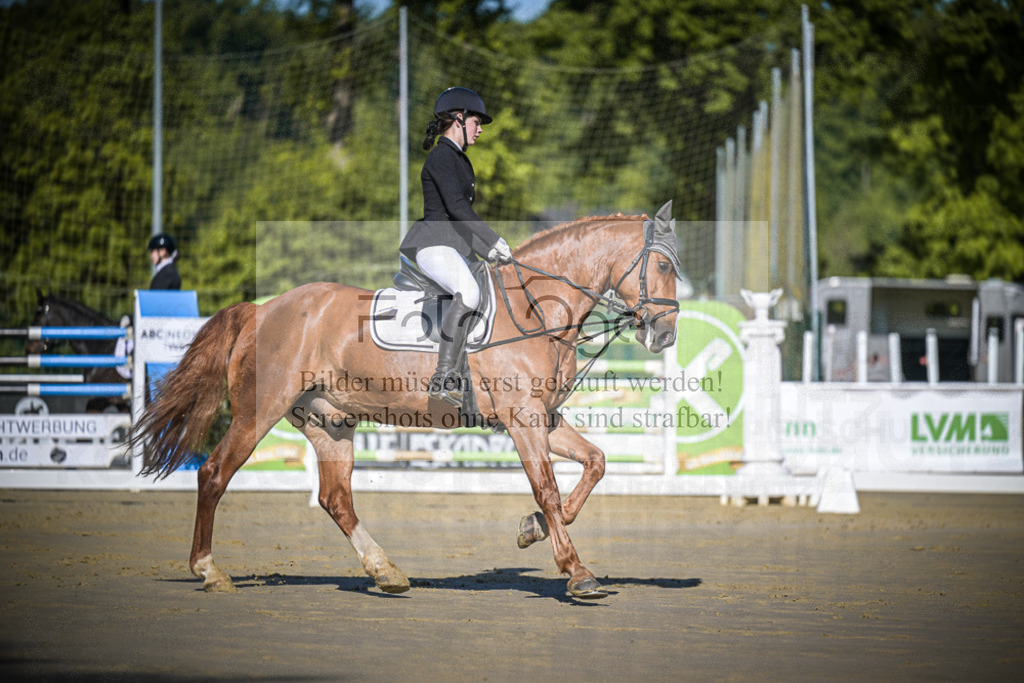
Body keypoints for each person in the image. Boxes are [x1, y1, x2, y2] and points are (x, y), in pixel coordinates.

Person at [399, 87, 513, 406]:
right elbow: (458, 208)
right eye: (477, 122)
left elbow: (461, 219)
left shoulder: (461, 161)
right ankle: (445, 376)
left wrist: (488, 252)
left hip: (455, 247)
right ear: (459, 119)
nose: (480, 129)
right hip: (433, 245)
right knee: (471, 293)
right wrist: (493, 240)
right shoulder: (441, 156)